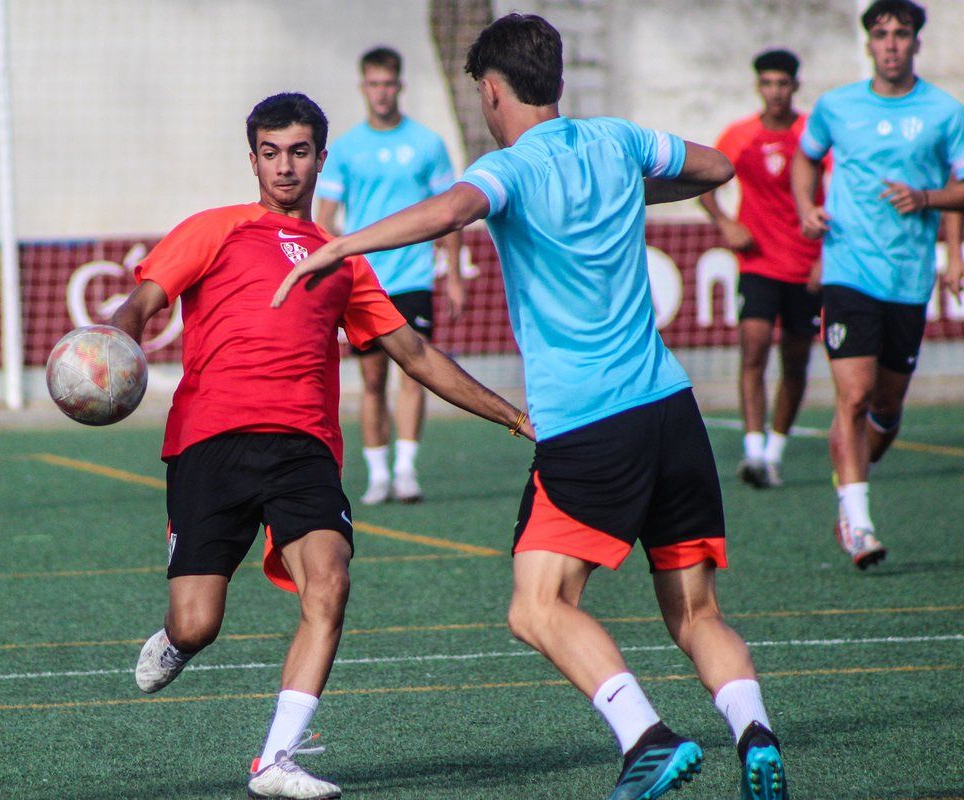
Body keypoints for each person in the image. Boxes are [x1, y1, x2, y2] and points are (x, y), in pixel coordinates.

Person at [275, 14, 788, 800]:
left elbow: (451, 210)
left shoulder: (510, 168)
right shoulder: (616, 139)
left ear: (491, 90)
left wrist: (342, 245)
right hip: (671, 408)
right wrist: (631, 192)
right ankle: (756, 735)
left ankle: (646, 738)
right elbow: (716, 167)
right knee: (696, 614)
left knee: (538, 606)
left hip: (589, 424)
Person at [111, 92, 532, 800]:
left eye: (299, 152)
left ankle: (275, 760)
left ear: (321, 159)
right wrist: (108, 354)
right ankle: (178, 641)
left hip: (303, 448)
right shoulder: (214, 229)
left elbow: (415, 355)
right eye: (271, 153)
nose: (285, 167)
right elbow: (140, 305)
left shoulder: (343, 261)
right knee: (199, 621)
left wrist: (513, 416)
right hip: (210, 441)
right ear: (253, 161)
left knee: (330, 582)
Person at [791, 0, 964, 570]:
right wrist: (807, 208)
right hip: (848, 269)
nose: (891, 43)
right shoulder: (837, 106)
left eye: (901, 33)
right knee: (855, 395)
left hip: (908, 278)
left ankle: (853, 476)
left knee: (886, 406)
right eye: (882, 33)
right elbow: (806, 158)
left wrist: (930, 203)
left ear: (916, 42)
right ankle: (857, 522)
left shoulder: (945, 112)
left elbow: (961, 185)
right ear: (868, 44)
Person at [315, 46, 466, 505]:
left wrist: (453, 275)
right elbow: (325, 219)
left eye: (388, 83)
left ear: (399, 85)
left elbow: (449, 211)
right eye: (374, 84)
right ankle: (378, 474)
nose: (381, 92)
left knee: (416, 373)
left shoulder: (427, 144)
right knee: (372, 380)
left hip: (414, 277)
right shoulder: (345, 149)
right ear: (363, 87)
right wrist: (332, 270)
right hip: (365, 281)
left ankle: (405, 472)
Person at [700, 49, 827, 489]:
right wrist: (724, 222)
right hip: (757, 262)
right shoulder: (740, 135)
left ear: (795, 86)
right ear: (759, 86)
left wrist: (826, 256)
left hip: (805, 265)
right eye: (768, 83)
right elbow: (706, 180)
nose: (775, 92)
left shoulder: (813, 134)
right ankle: (753, 452)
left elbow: (841, 190)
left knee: (795, 361)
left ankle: (775, 453)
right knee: (753, 350)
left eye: (782, 83)